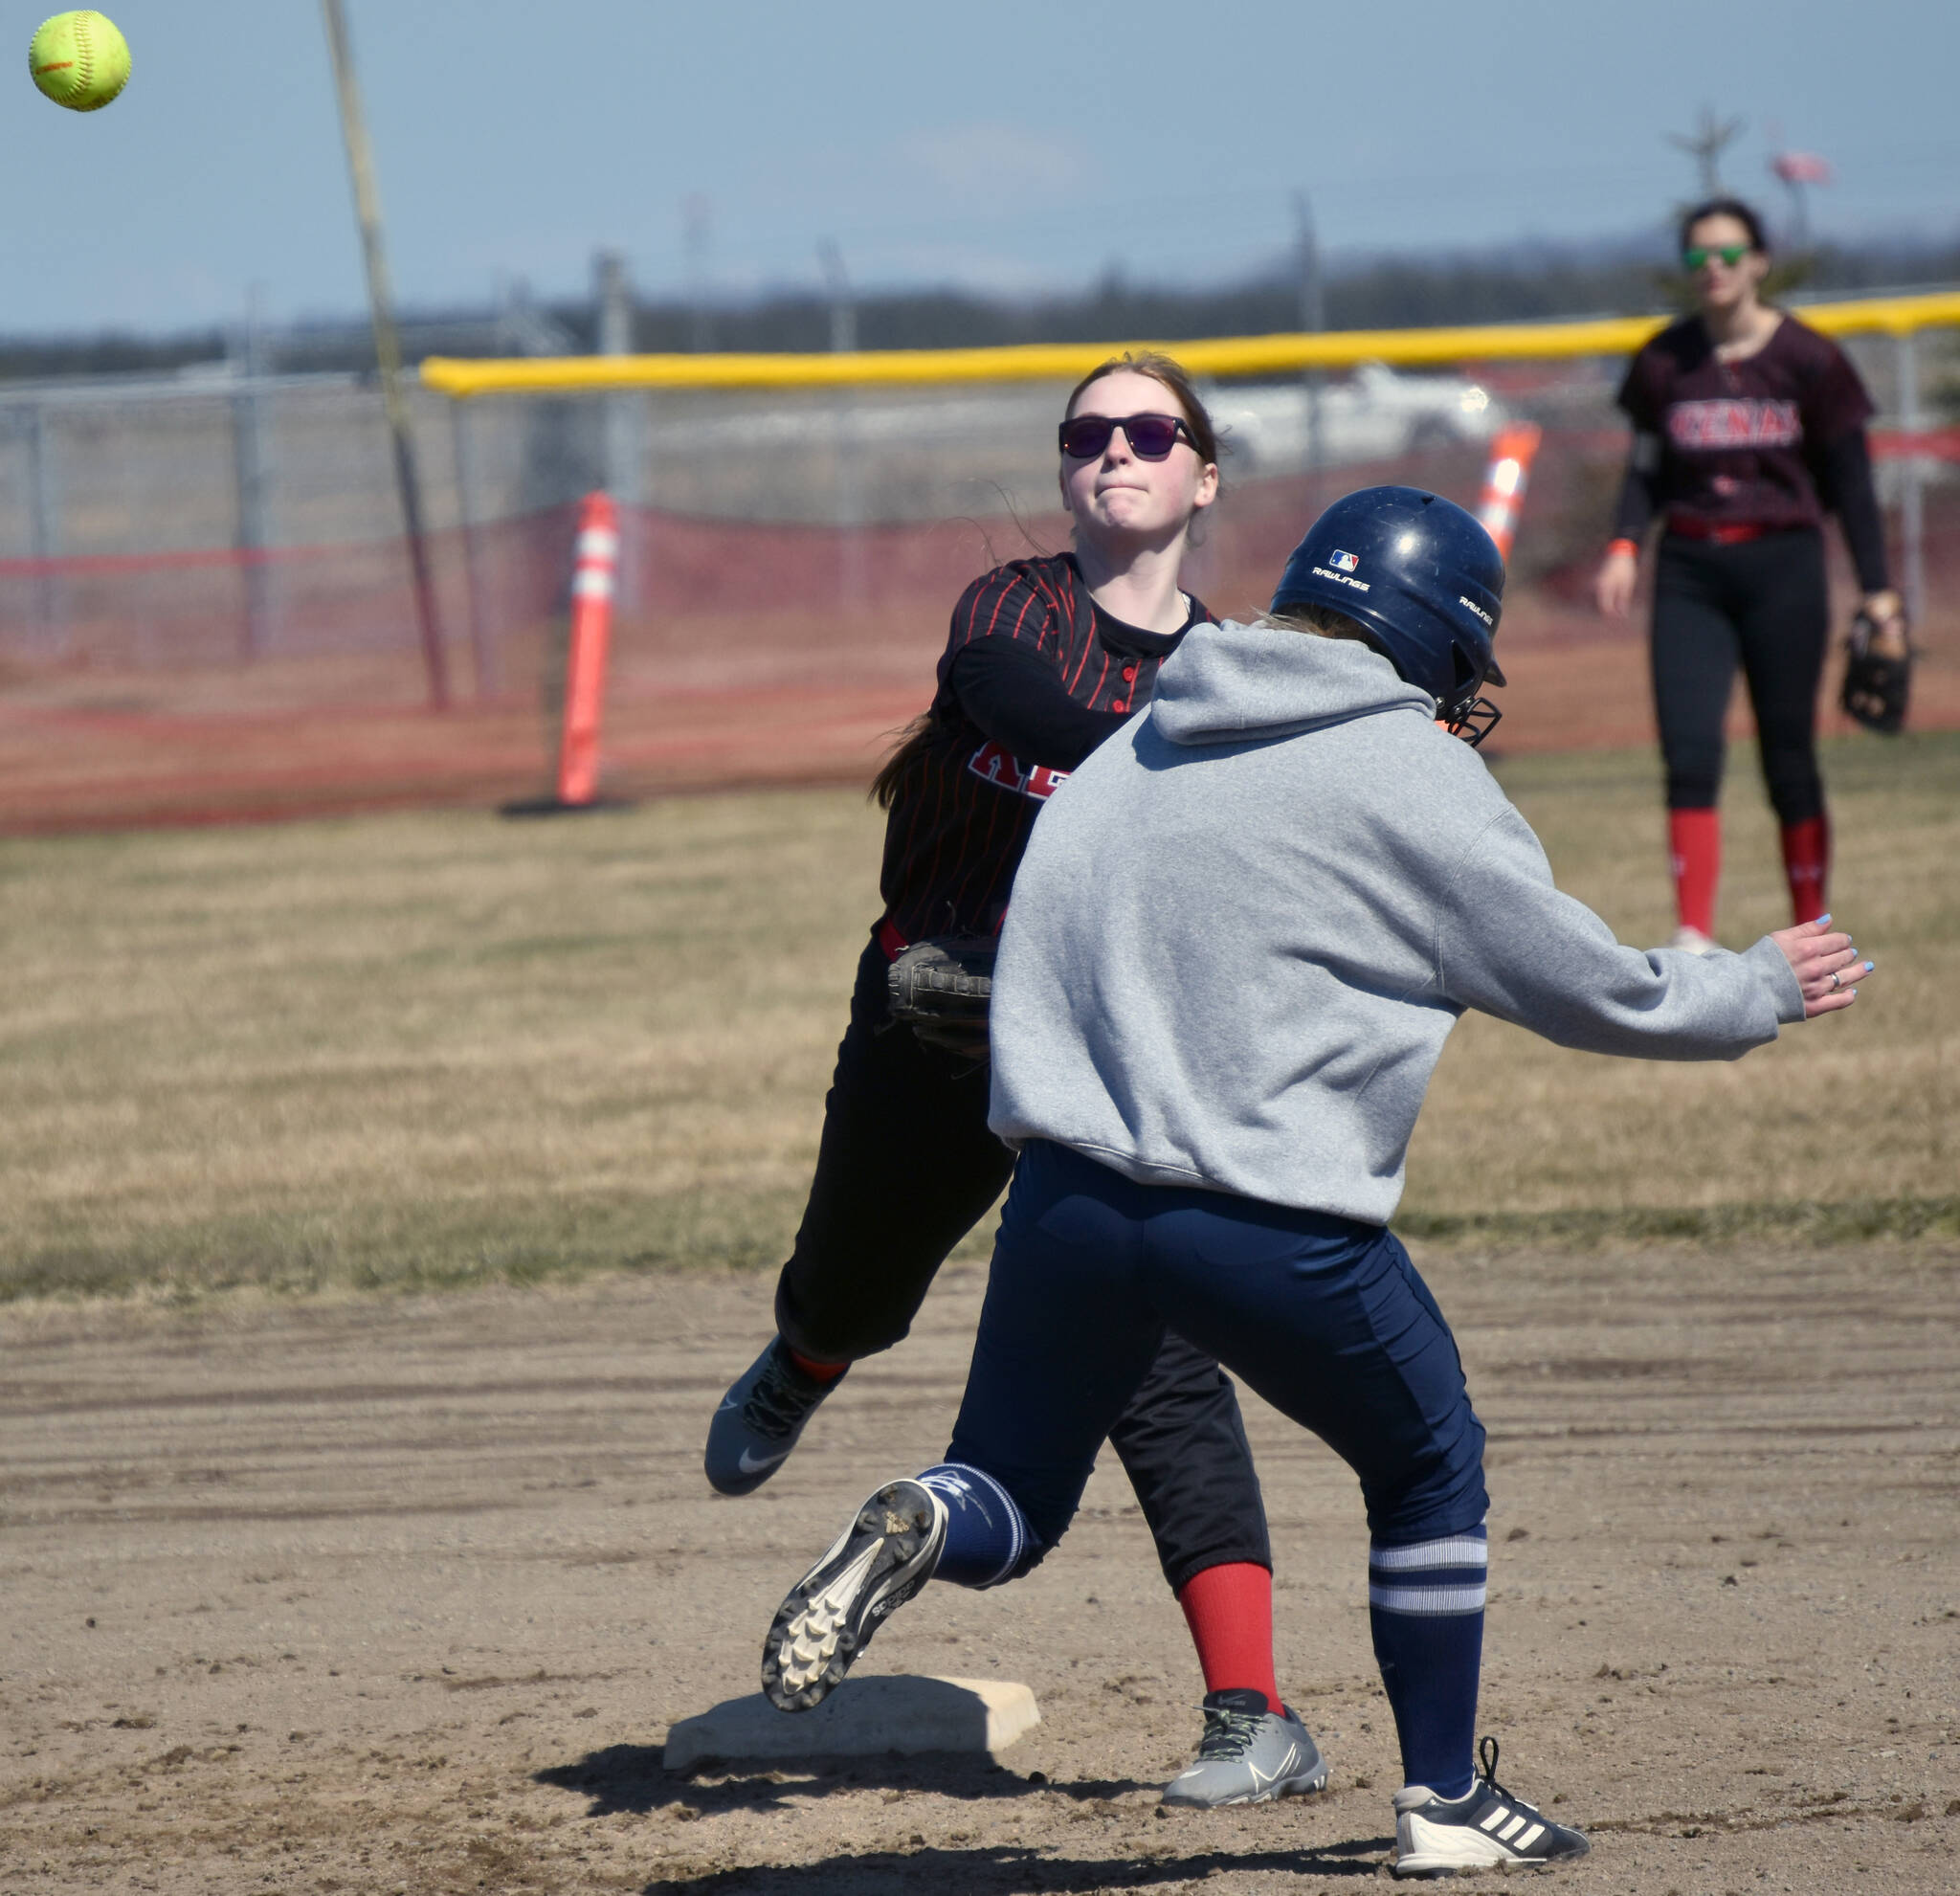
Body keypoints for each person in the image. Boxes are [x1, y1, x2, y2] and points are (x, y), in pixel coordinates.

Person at [758, 485, 1875, 1878]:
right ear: (1429, 640)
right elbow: (1588, 987)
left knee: (1012, 1491)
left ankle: (925, 1516)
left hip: (1066, 1203)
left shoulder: (1140, 736)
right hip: (1269, 1224)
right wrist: (1749, 987)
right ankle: (1446, 1805)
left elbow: (1041, 933)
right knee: (1426, 1464)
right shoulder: (1413, 771)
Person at [704, 353, 1322, 1807]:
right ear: (1066, 467)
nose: (1118, 451)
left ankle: (1252, 1709)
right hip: (935, 1005)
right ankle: (804, 1363)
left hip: (1097, 1050)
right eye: (1089, 433)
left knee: (1160, 1362)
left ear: (1203, 472)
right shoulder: (1012, 611)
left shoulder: (1236, 669)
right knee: (857, 1286)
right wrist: (1195, 765)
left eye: (1151, 432)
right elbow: (1025, 710)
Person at [1595, 196, 1906, 951]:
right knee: (1690, 749)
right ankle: (1693, 935)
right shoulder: (1665, 360)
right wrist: (1625, 544)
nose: (1715, 270)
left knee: (1787, 752)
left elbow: (1852, 484)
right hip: (1692, 566)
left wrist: (1879, 588)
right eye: (1699, 257)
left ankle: (1813, 931)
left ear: (1759, 261)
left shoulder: (1810, 359)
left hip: (1783, 562)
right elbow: (1643, 469)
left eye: (1730, 254)